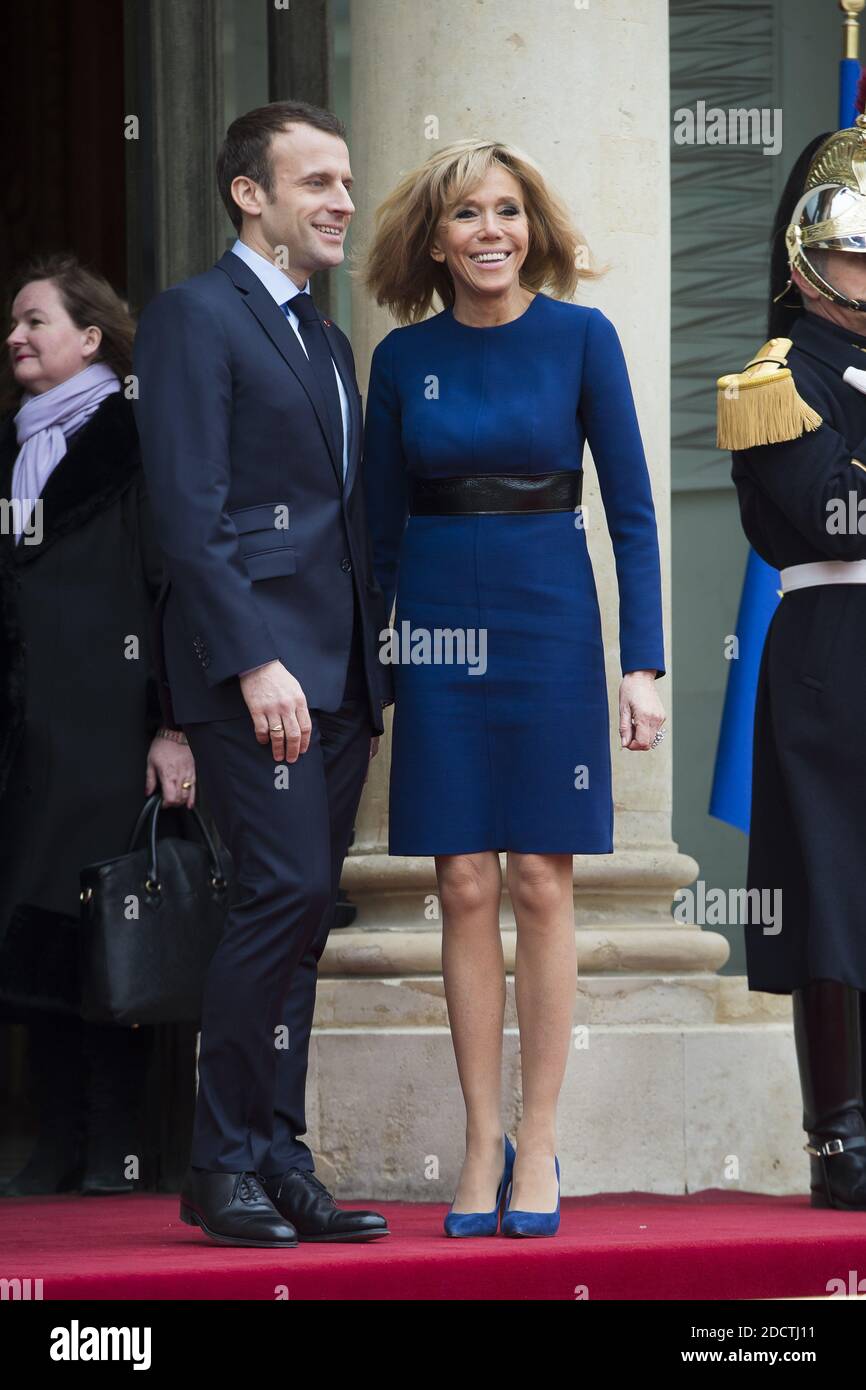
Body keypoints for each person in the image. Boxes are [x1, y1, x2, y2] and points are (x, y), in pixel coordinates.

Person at [362, 140, 666, 1237]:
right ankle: (478, 1141)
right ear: (433, 239)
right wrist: (371, 665)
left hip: (547, 615)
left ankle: (538, 1141)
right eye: (464, 215)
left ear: (529, 225)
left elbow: (630, 513)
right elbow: (374, 534)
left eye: (504, 211)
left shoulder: (583, 339)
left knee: (540, 875)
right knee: (462, 880)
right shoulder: (401, 361)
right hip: (439, 623)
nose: (488, 231)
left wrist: (642, 665)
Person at [133, 101, 393, 1247]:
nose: (343, 201)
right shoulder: (195, 317)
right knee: (278, 895)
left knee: (300, 920)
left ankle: (276, 1154)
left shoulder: (328, 342)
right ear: (251, 194)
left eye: (345, 182)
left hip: (339, 683)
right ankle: (219, 1158)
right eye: (318, 182)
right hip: (259, 681)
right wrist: (255, 665)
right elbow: (191, 521)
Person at [0, 253, 196, 1195]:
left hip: (115, 725)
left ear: (90, 338)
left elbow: (170, 588)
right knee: (34, 929)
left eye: (35, 320)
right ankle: (57, 1138)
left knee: (113, 925)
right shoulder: (11, 451)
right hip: (31, 733)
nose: (17, 337)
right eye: (13, 324)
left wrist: (173, 725)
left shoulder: (138, 439)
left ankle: (121, 1144)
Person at [718, 113, 866, 1209]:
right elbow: (825, 512)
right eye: (855, 249)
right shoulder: (773, 374)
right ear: (807, 259)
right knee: (827, 892)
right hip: (832, 649)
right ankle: (840, 1137)